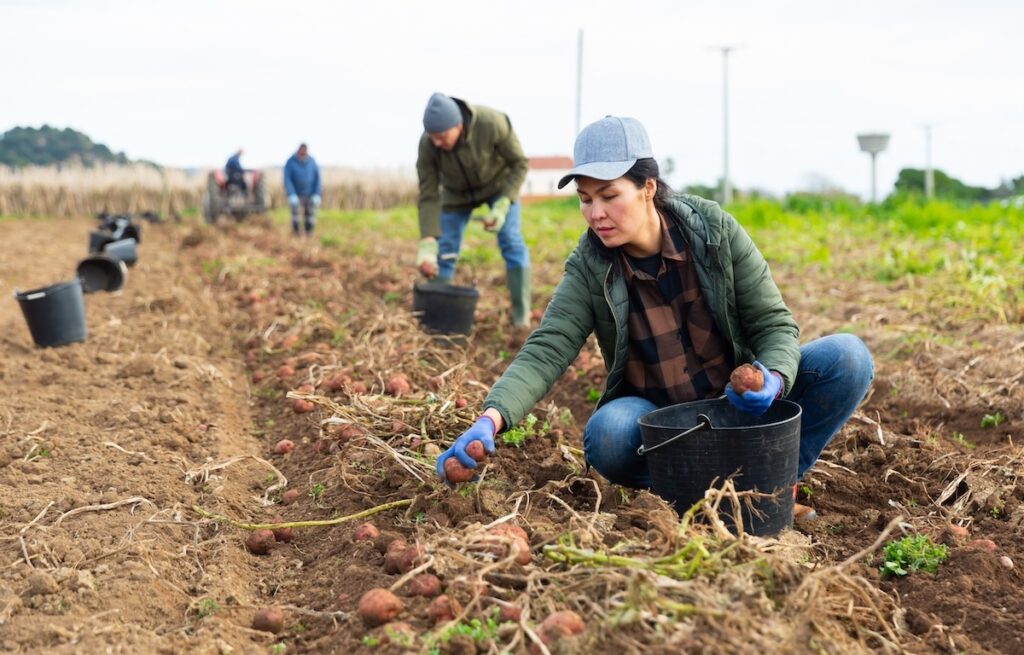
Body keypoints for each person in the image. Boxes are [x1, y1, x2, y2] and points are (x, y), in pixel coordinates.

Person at [435, 116, 874, 521]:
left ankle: (772, 485)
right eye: (585, 200)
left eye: (609, 195)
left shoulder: (714, 231)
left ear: (648, 187)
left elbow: (774, 324)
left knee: (847, 358)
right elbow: (548, 347)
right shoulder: (589, 265)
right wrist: (492, 416)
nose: (596, 213)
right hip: (665, 427)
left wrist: (774, 377)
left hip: (739, 410)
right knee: (608, 433)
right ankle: (694, 497)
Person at [416, 92, 532, 327]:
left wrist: (503, 204)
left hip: (498, 187)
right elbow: (428, 193)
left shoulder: (492, 123)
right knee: (445, 248)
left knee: (511, 239)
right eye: (432, 137)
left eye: (442, 136)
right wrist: (428, 240)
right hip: (456, 193)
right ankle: (439, 319)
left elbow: (520, 163)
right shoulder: (428, 144)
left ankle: (521, 316)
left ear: (458, 126)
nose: (436, 142)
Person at [284, 143, 321, 236]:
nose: (303, 155)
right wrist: (291, 193)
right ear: (298, 151)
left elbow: (318, 179)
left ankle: (309, 233)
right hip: (296, 194)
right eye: (301, 153)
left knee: (310, 215)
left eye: (304, 153)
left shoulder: (312, 162)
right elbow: (287, 179)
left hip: (309, 193)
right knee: (295, 215)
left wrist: (316, 194)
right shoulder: (290, 162)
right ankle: (296, 233)